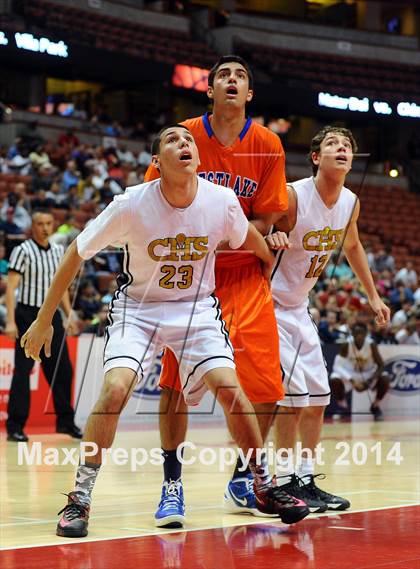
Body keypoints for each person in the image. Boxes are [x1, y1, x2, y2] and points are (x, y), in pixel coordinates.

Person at [21, 125, 309, 538]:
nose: (184, 143)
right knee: (116, 389)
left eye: (188, 140)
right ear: (157, 163)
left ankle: (262, 485)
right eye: (173, 140)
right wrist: (44, 317)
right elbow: (76, 251)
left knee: (230, 389)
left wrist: (266, 268)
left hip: (196, 309)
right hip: (139, 308)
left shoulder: (220, 201)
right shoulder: (132, 204)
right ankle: (80, 498)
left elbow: (250, 238)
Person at [144, 55, 288, 526]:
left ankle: (245, 475)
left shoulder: (267, 144)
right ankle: (172, 485)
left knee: (267, 385)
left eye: (240, 76)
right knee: (175, 386)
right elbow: (153, 199)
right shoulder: (184, 135)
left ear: (249, 94)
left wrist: (238, 235)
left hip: (244, 275)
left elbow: (267, 217)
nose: (231, 80)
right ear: (209, 90)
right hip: (192, 277)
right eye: (222, 75)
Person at [266, 126, 390, 512]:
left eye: (348, 145)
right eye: (333, 144)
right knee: (292, 399)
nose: (343, 149)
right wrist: (270, 236)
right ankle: (283, 480)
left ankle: (305, 478)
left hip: (299, 306)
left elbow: (351, 245)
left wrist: (372, 295)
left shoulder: (350, 202)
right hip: (267, 303)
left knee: (318, 395)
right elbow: (255, 229)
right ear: (316, 157)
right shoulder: (292, 195)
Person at [5, 210, 81, 442]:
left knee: (62, 371)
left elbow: (61, 288)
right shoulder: (22, 251)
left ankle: (65, 422)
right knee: (22, 371)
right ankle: (15, 426)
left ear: (53, 224)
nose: (45, 228)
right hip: (27, 315)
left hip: (52, 317)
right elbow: (10, 288)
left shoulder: (59, 251)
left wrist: (69, 315)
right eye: (40, 224)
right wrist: (10, 320)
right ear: (33, 226)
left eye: (48, 223)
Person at [330, 322, 391, 420]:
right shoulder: (347, 344)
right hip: (351, 374)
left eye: (361, 333)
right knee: (334, 378)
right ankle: (342, 407)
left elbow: (381, 365)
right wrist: (352, 381)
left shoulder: (371, 345)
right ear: (352, 334)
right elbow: (337, 366)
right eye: (356, 334)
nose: (359, 336)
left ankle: (375, 406)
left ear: (366, 334)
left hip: (368, 374)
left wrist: (370, 381)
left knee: (385, 377)